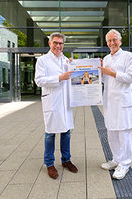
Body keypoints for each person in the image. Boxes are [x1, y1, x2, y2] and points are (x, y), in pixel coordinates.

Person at [34, 32, 78, 179]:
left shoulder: (67, 60)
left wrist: (74, 65)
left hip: (65, 102)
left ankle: (66, 160)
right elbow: (39, 81)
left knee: (66, 132)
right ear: (50, 43)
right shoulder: (42, 61)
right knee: (50, 133)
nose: (58, 46)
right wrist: (59, 78)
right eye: (55, 43)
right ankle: (49, 163)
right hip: (52, 101)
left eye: (61, 43)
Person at [98, 29, 132, 180]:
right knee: (111, 131)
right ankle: (116, 160)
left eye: (115, 40)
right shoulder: (106, 58)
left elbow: (131, 77)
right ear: (107, 43)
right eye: (109, 41)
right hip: (109, 101)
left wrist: (111, 73)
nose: (112, 43)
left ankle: (125, 164)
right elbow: (104, 81)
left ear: (120, 41)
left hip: (122, 101)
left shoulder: (128, 56)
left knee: (123, 133)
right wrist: (100, 73)